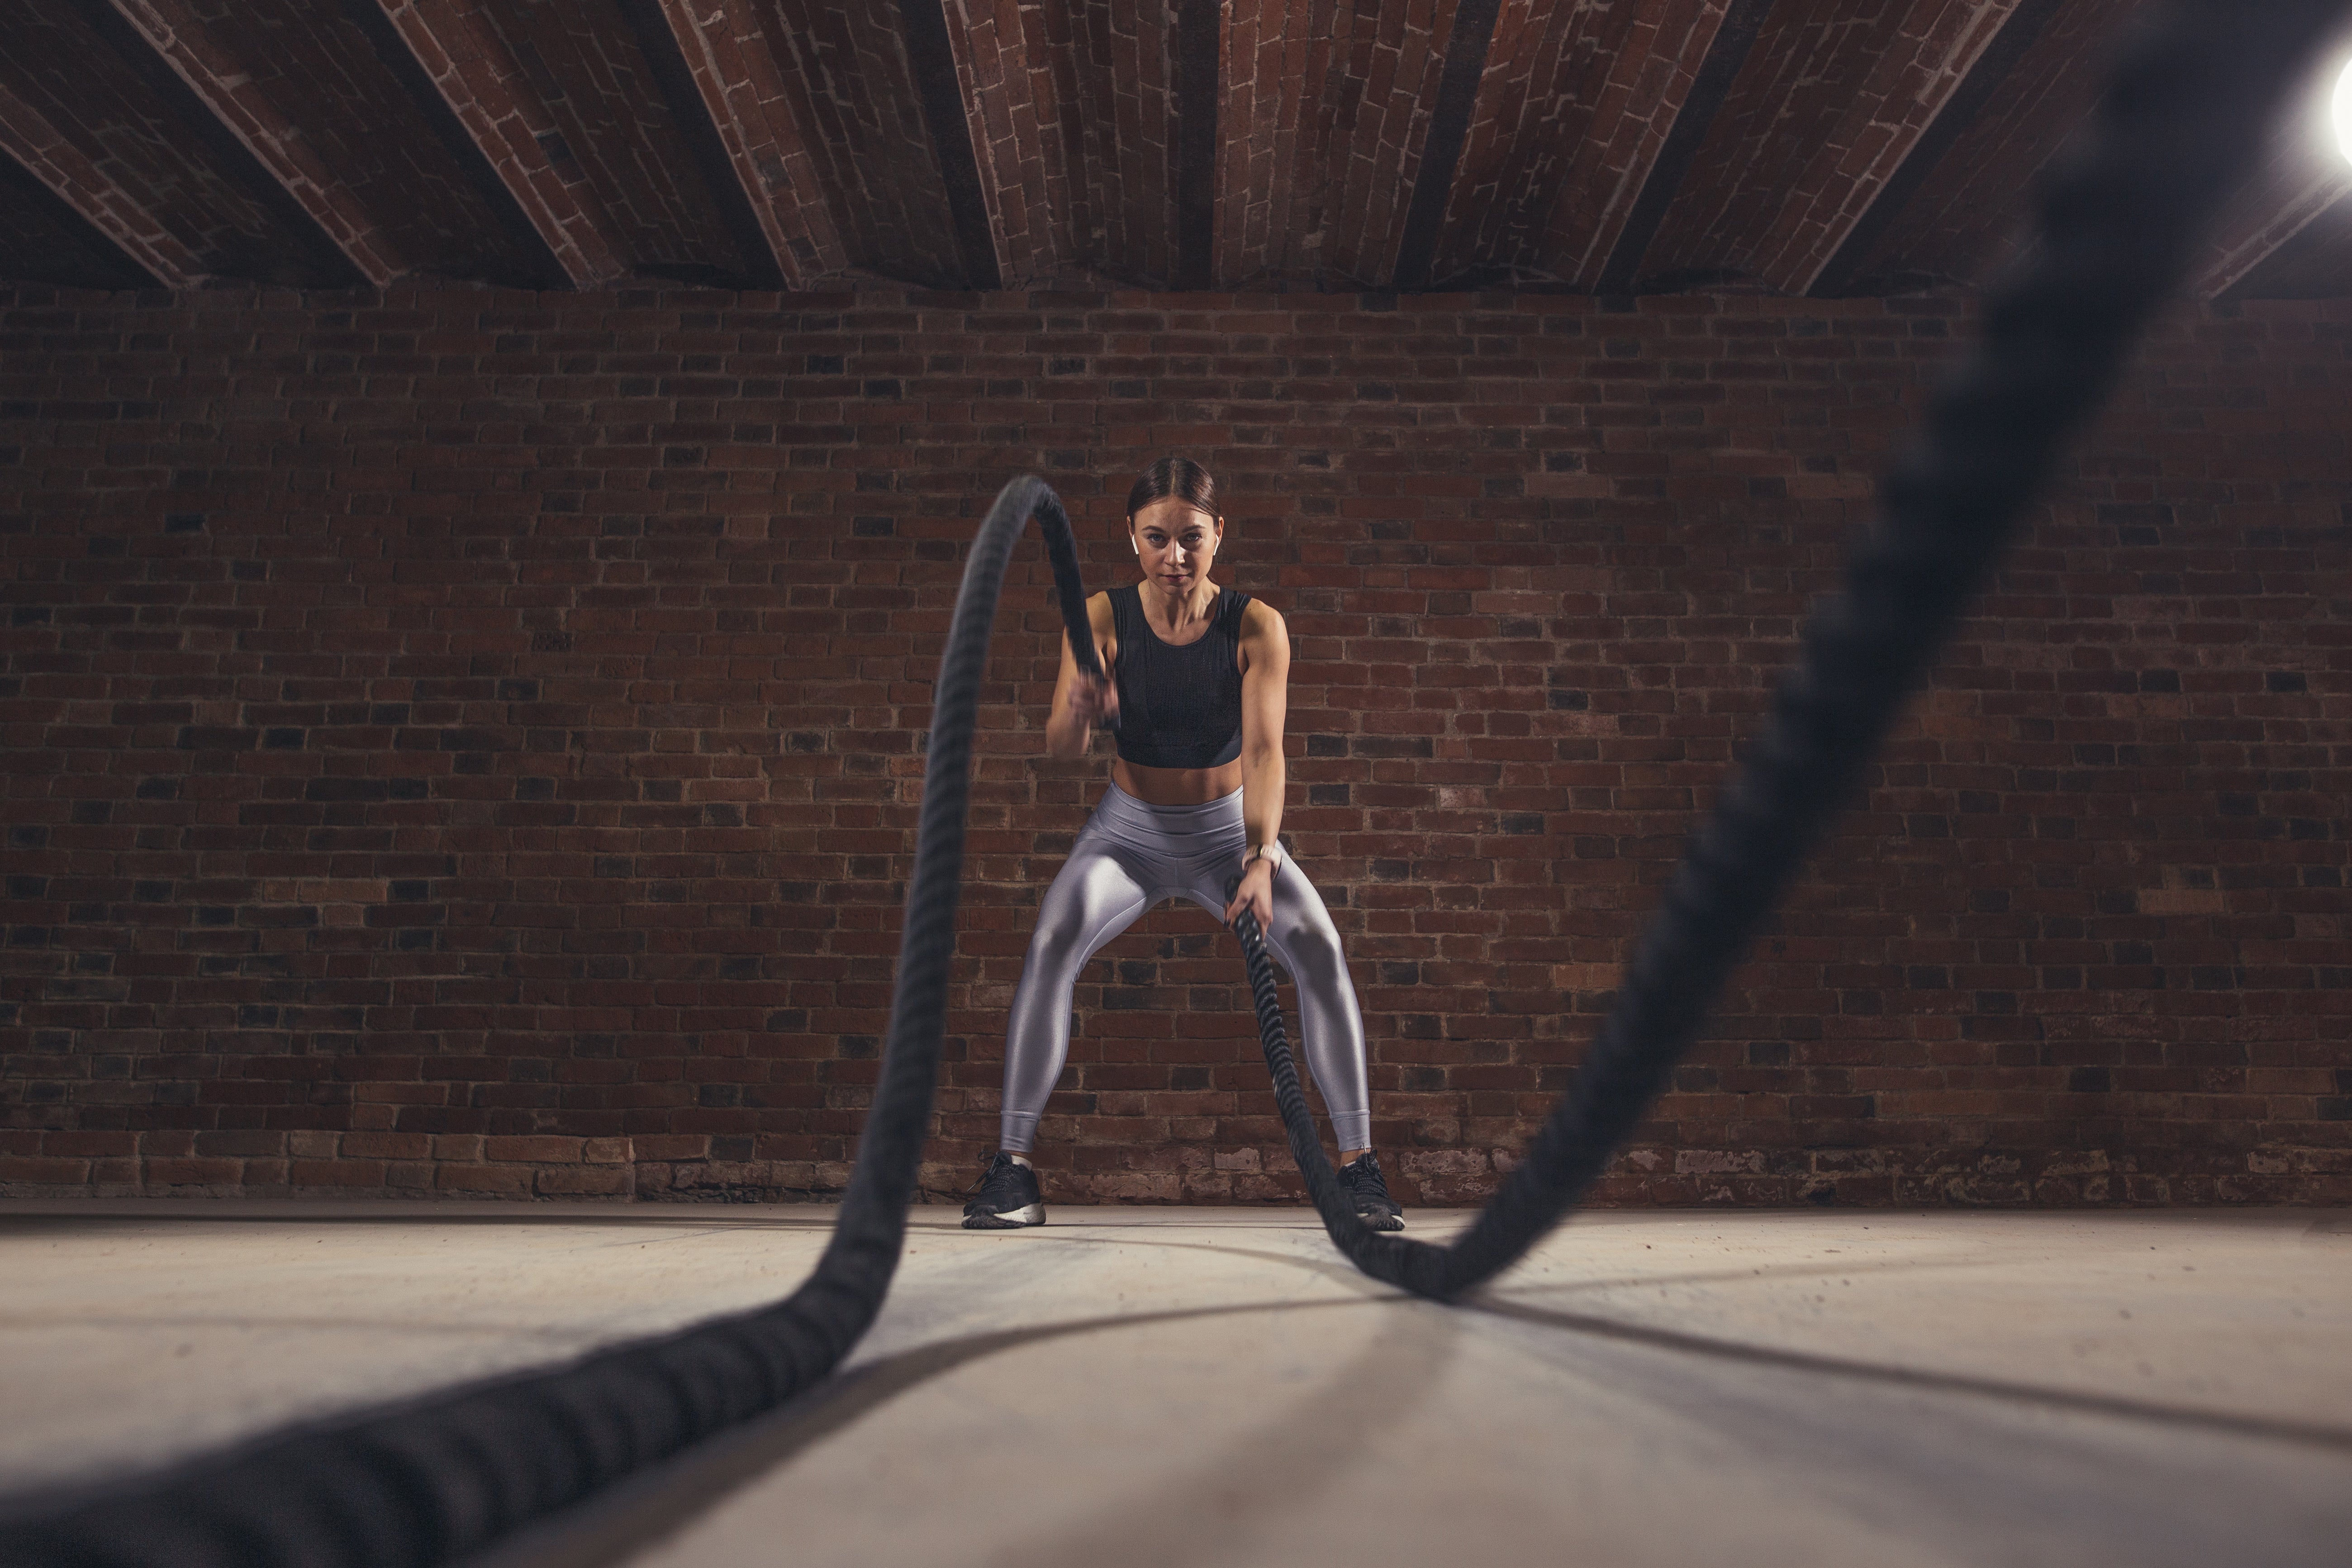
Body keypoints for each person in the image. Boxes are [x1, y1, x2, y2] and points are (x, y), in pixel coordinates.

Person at [963, 456, 1403, 1232]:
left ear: (1218, 534)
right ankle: (1013, 1170)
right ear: (1132, 539)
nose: (1175, 557)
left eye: (1191, 539)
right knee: (1052, 937)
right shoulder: (1100, 616)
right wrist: (1080, 705)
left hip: (1227, 835)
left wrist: (1264, 858)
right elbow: (1063, 747)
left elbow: (1267, 753)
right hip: (1126, 835)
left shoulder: (1256, 625)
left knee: (1324, 950)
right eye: (1157, 539)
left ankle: (1362, 1171)